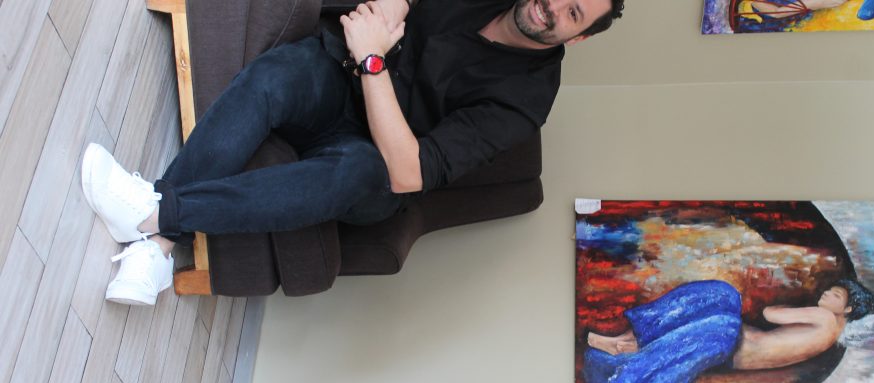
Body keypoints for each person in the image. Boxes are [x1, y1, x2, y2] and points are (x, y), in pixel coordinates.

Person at [79, 0, 625, 305]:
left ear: (579, 37)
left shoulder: (524, 102)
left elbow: (409, 170)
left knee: (359, 171)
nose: (552, 7)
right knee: (278, 74)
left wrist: (373, 60)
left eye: (573, 13)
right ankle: (159, 245)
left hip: (373, 162)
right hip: (338, 80)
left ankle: (154, 212)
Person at [582, 279, 874, 383]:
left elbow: (771, 314)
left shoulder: (825, 318)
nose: (826, 293)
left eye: (835, 295)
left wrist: (784, 307)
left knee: (719, 299)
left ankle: (627, 346)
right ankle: (624, 340)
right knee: (723, 296)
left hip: (731, 340)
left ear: (847, 310)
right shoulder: (829, 336)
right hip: (736, 348)